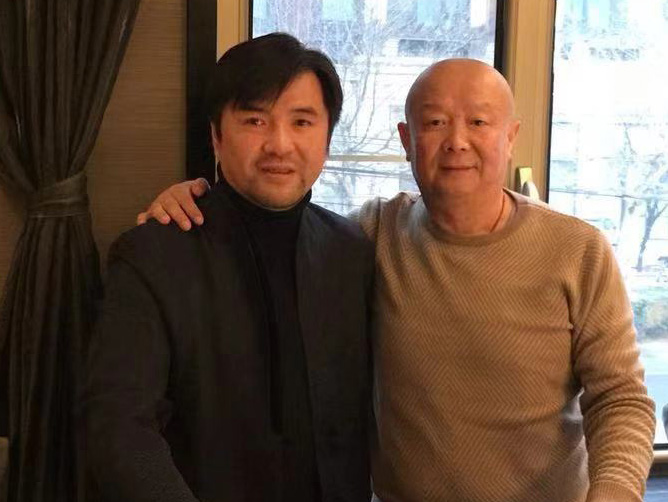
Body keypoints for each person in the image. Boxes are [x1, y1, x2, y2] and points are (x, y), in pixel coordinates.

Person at [140, 58, 656, 502]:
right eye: (434, 123)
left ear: (511, 137)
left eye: (478, 122)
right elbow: (282, 225)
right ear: (408, 141)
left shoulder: (577, 250)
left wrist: (612, 494)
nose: (457, 142)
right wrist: (201, 199)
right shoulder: (373, 234)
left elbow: (621, 399)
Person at [82, 33, 374, 502]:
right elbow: (118, 426)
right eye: (255, 120)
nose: (279, 144)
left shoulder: (351, 250)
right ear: (216, 136)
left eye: (302, 122)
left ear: (326, 140)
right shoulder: (154, 255)